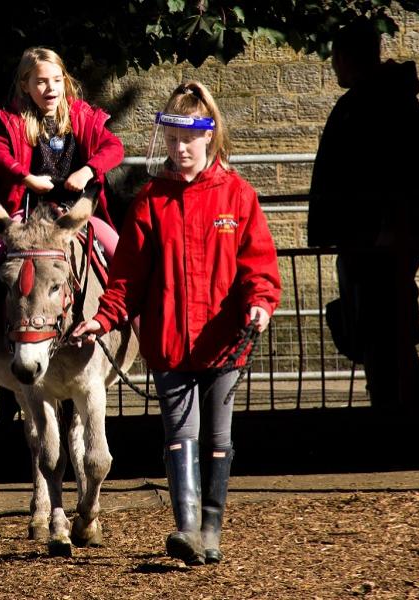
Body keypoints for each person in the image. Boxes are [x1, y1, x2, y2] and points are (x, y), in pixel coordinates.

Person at [72, 81, 281, 566]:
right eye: (171, 141)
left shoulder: (238, 196)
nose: (179, 149)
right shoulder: (151, 201)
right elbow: (126, 278)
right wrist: (103, 320)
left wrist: (261, 304)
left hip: (225, 341)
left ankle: (211, 529)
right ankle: (187, 529)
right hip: (169, 343)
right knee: (178, 435)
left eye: (187, 140)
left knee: (218, 439)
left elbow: (259, 267)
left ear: (209, 137)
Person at [0, 46, 124, 368]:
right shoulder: (12, 122)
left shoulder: (83, 116)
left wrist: (88, 170)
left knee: (120, 252)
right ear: (25, 85)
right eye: (40, 82)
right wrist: (25, 177)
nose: (50, 88)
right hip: (28, 217)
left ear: (64, 82)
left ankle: (141, 329)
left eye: (56, 80)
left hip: (77, 215)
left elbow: (114, 146)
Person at [308, 18, 419, 411]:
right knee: (383, 330)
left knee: (382, 331)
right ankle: (400, 410)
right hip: (377, 237)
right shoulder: (385, 100)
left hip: (376, 239)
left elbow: (389, 174)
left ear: (348, 57)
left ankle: (398, 414)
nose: (334, 67)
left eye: (336, 58)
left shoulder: (374, 103)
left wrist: (381, 230)